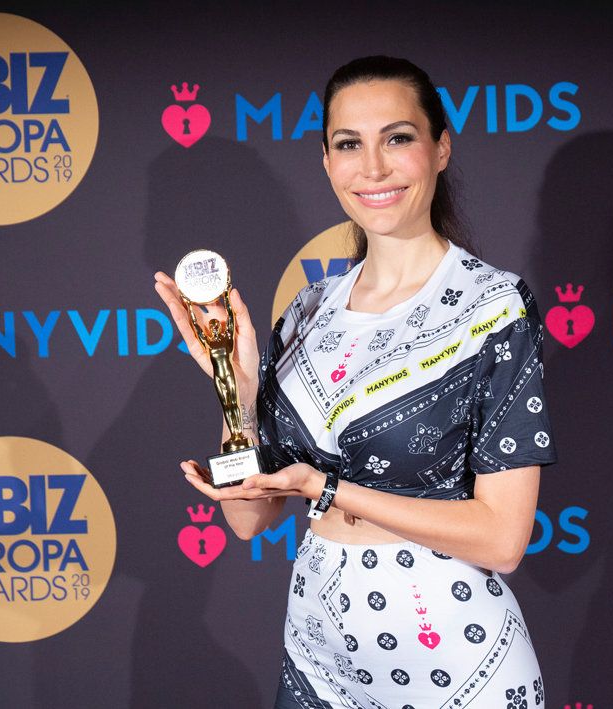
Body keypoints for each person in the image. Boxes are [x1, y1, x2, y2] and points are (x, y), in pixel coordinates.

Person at [155, 55, 556, 708]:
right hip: (319, 660)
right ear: (326, 161)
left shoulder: (492, 307)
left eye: (397, 138)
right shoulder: (308, 311)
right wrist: (237, 390)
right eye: (348, 144)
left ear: (441, 148)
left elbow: (503, 540)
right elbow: (249, 517)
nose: (372, 167)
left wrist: (326, 487)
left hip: (457, 666)